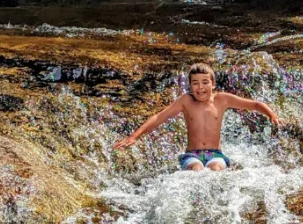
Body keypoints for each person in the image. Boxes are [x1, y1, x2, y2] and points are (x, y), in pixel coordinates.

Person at [113, 62, 280, 170]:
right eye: (195, 83)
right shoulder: (186, 101)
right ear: (190, 87)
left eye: (205, 82)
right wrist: (135, 136)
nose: (200, 87)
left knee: (215, 169)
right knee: (197, 170)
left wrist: (272, 115)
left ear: (213, 84)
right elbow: (159, 117)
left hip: (216, 154)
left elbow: (255, 105)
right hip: (192, 155)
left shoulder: (222, 99)